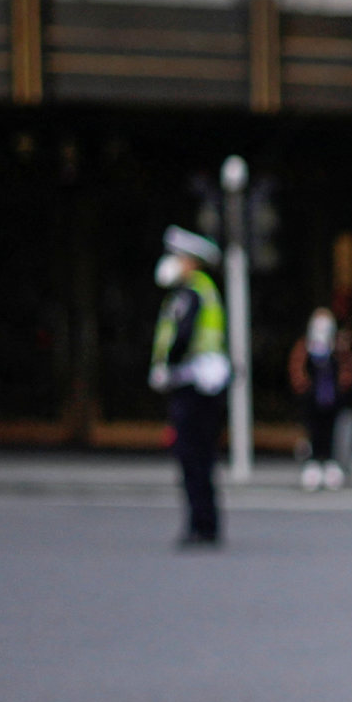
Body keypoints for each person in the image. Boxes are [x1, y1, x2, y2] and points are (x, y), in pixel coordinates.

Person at [146, 229, 231, 549]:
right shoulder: (201, 290)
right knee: (202, 457)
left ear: (190, 262)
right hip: (202, 382)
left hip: (193, 383)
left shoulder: (191, 293)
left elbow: (182, 336)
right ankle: (205, 524)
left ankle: (201, 525)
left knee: (192, 456)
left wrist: (166, 366)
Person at [289, 307, 352, 487]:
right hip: (313, 399)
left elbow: (346, 368)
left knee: (330, 431)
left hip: (331, 399)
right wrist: (304, 388)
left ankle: (330, 463)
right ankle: (313, 463)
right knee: (314, 431)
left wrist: (341, 388)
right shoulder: (306, 347)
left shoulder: (336, 348)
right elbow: (297, 368)